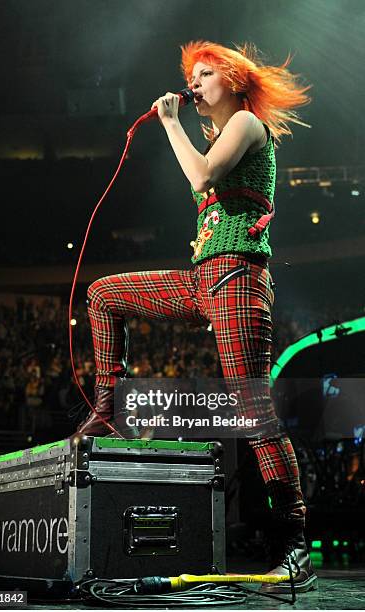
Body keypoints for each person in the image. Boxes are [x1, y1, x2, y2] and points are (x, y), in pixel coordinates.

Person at [77, 40, 315, 592]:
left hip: (237, 283)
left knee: (254, 413)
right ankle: (107, 407)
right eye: (193, 76)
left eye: (205, 75)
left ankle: (295, 542)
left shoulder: (249, 126)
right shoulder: (221, 129)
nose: (195, 85)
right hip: (202, 281)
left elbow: (202, 177)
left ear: (231, 80)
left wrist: (169, 123)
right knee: (104, 294)